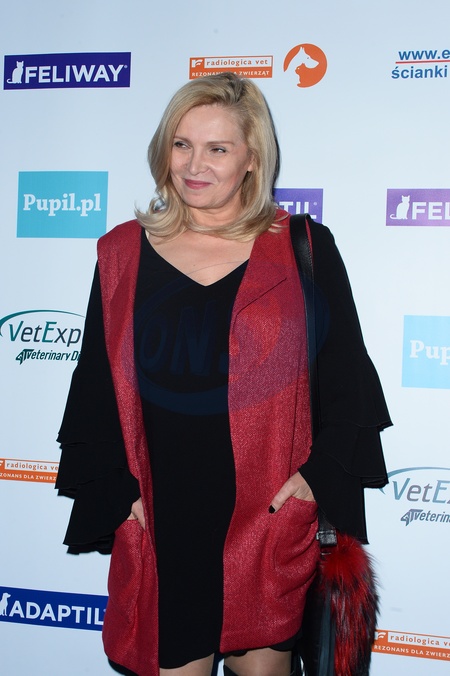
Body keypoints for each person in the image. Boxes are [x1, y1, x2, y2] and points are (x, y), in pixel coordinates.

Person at [56, 72, 391, 676]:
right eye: (181, 144)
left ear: (252, 158)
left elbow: (348, 380)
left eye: (217, 148)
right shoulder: (122, 252)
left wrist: (315, 480)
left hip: (265, 517)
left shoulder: (302, 247)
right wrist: (119, 492)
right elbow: (95, 387)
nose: (195, 165)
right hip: (162, 519)